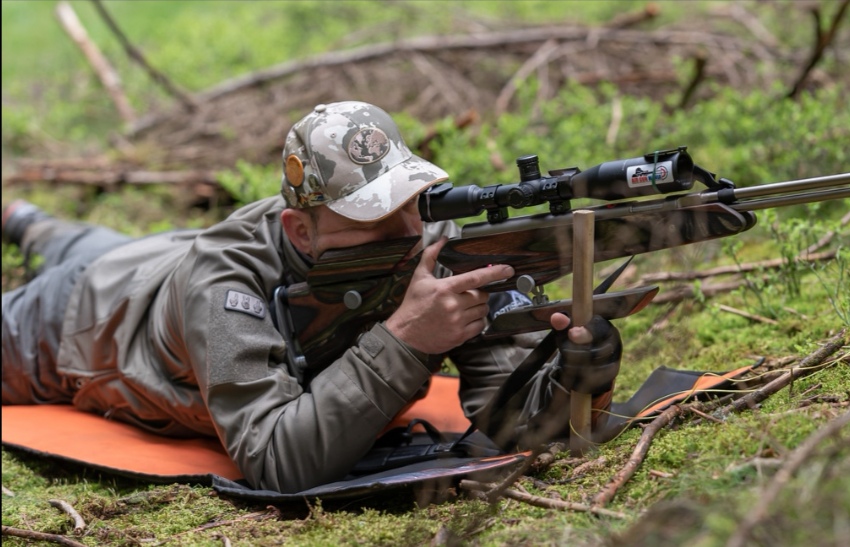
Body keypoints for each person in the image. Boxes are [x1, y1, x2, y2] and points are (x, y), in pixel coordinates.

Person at [2, 101, 620, 493]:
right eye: (371, 219)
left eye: (410, 203)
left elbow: (513, 421)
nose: (407, 233)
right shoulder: (223, 281)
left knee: (66, 237)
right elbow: (276, 461)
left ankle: (24, 216)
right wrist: (405, 340)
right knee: (84, 259)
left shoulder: (426, 240)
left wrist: (580, 367)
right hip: (80, 315)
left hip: (157, 253)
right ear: (301, 229)